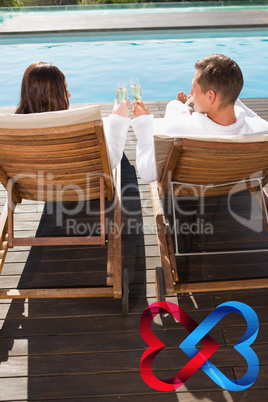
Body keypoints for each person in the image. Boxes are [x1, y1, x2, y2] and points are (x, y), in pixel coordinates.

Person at [131, 54, 268, 183]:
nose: (191, 94)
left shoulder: (179, 131)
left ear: (210, 97)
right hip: (237, 192)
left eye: (194, 90)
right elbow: (252, 116)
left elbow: (146, 172)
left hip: (189, 200)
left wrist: (143, 123)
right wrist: (230, 94)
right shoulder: (261, 131)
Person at [16, 61, 130, 169]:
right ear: (52, 96)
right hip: (80, 188)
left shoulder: (12, 130)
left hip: (35, 187)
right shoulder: (76, 127)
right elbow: (111, 162)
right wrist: (118, 118)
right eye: (65, 91)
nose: (69, 95)